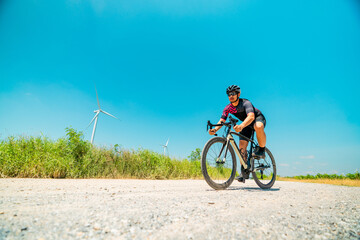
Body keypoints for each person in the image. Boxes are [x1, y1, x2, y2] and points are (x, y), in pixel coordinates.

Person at [208, 85, 267, 182]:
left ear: (238, 94)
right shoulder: (228, 108)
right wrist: (214, 130)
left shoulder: (245, 103)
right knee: (242, 147)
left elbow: (251, 117)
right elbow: (222, 121)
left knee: (258, 126)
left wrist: (241, 126)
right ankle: (244, 171)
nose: (231, 96)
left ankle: (262, 149)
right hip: (246, 124)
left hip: (257, 118)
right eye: (229, 94)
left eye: (233, 94)